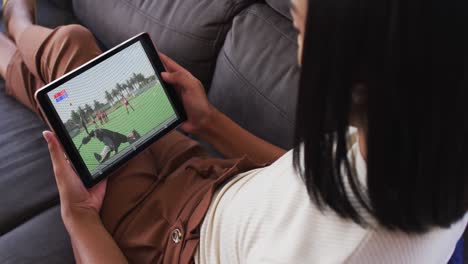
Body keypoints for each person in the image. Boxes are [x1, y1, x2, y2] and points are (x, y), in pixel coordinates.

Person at [1, 0, 466, 263]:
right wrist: (209, 123)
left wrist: (79, 216)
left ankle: (15, 26)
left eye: (299, 30)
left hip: (169, 239)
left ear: (353, 71)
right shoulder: (424, 140)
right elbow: (304, 180)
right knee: (78, 78)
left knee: (71, 49)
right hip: (214, 181)